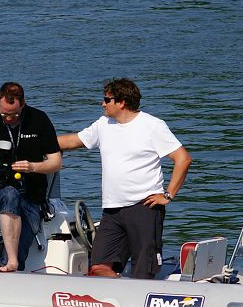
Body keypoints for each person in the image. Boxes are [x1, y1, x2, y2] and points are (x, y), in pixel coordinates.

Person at [58, 78, 191, 279]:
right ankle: (116, 298)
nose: (102, 104)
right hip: (112, 211)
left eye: (107, 99)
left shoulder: (152, 125)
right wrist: (36, 142)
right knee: (99, 267)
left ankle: (140, 303)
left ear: (121, 102)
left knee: (143, 270)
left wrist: (168, 195)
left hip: (144, 208)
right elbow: (72, 141)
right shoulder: (104, 124)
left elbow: (183, 158)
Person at [0, 82, 62, 272]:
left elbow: (56, 162)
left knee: (18, 250)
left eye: (14, 115)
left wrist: (33, 167)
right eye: (4, 114)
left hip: (31, 196)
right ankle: (11, 262)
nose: (8, 119)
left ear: (23, 104)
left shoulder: (39, 120)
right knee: (10, 194)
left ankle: (9, 262)